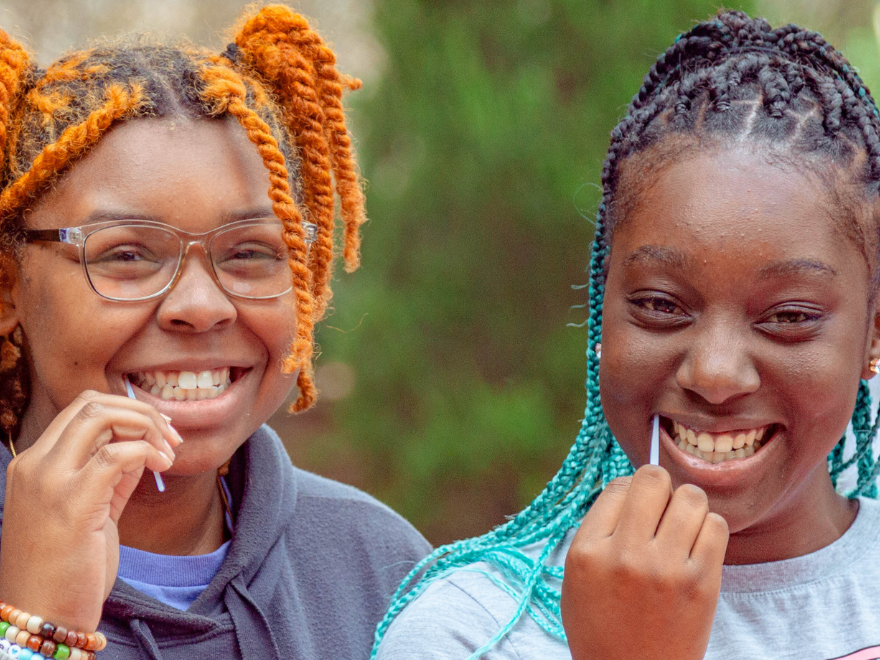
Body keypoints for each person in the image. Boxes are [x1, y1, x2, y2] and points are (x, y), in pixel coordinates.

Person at [373, 10, 880, 660]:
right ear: (601, 313)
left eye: (787, 316)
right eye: (662, 304)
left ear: (872, 334)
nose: (715, 373)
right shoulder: (473, 632)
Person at [0, 5, 430, 660]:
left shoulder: (377, 569)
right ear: (9, 290)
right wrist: (34, 631)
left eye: (251, 251)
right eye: (126, 253)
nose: (201, 307)